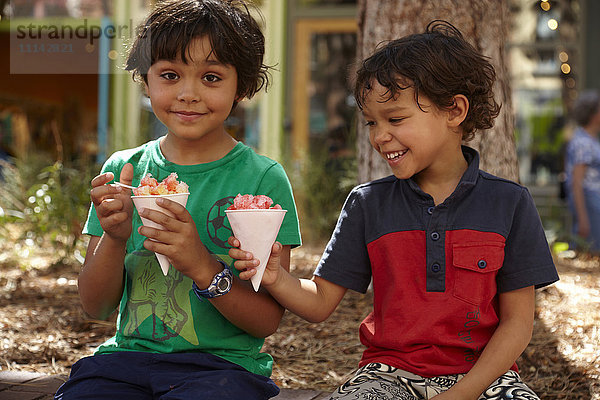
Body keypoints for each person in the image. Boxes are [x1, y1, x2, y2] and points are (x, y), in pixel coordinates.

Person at [230, 21, 559, 400]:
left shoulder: (510, 203)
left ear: (454, 110)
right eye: (371, 122)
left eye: (395, 119)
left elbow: (518, 324)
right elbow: (320, 302)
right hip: (387, 377)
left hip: (485, 379)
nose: (379, 136)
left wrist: (461, 394)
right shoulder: (367, 203)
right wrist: (275, 277)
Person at [55, 0, 301, 398]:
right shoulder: (124, 171)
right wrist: (115, 238)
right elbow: (95, 306)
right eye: (170, 74)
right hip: (124, 362)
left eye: (211, 77)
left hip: (223, 369)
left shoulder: (261, 180)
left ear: (243, 85)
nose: (188, 93)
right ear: (145, 80)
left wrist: (201, 265)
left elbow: (265, 321)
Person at [564, 90, 600, 254]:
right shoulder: (582, 142)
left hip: (594, 204)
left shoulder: (590, 140)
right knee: (590, 250)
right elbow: (576, 182)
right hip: (590, 205)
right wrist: (583, 218)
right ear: (593, 114)